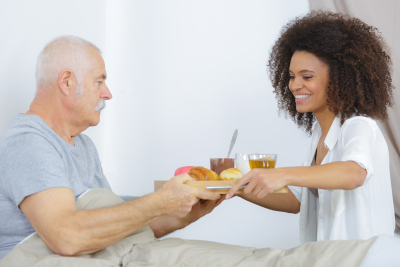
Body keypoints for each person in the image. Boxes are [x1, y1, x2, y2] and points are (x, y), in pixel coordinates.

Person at [0, 36, 222, 259]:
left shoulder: (84, 146)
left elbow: (115, 231)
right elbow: (65, 236)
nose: (107, 93)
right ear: (67, 82)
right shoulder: (28, 142)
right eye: (99, 81)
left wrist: (183, 214)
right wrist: (159, 202)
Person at [227, 11, 395, 244]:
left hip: (363, 261)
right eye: (292, 76)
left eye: (307, 76)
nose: (295, 85)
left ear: (338, 77)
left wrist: (282, 174)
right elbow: (298, 201)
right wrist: (230, 187)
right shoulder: (321, 133)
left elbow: (355, 173)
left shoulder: (359, 124)